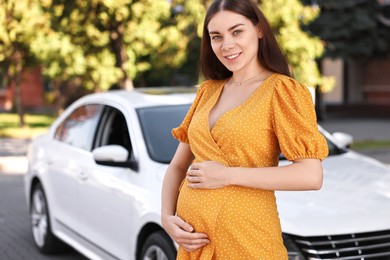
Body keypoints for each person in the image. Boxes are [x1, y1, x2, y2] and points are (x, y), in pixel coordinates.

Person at [161, 0, 329, 258]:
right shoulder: (208, 91)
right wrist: (166, 216)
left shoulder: (282, 91)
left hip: (246, 241)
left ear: (259, 29)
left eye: (237, 31)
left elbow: (310, 175)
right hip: (195, 245)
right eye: (216, 37)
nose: (226, 44)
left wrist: (227, 175)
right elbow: (178, 166)